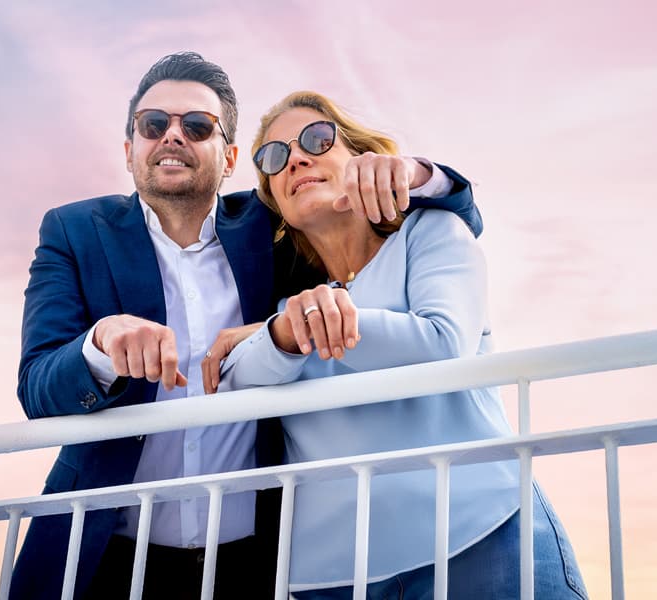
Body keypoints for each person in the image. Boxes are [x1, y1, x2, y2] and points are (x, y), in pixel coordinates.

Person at [10, 52, 482, 600]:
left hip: (255, 561)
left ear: (229, 156)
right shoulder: (73, 231)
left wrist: (417, 175)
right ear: (129, 149)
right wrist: (98, 345)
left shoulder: (272, 227)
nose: (172, 136)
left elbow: (453, 220)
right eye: (153, 124)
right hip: (106, 554)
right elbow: (37, 385)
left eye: (197, 126)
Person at [216, 91, 589, 599]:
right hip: (332, 577)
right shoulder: (287, 304)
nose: (296, 157)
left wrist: (308, 322)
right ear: (275, 200)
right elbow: (234, 380)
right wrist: (283, 327)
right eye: (274, 157)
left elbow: (441, 344)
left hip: (481, 537)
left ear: (360, 158)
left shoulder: (431, 232)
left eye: (316, 139)